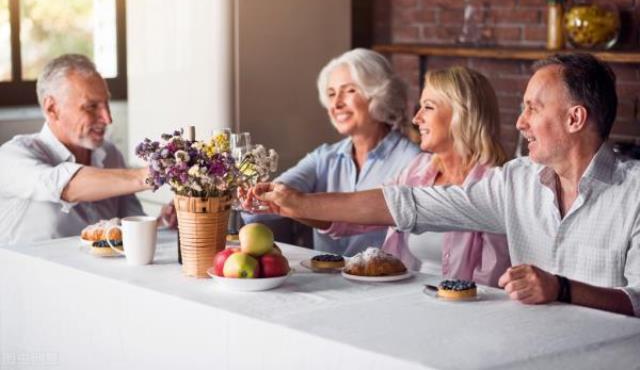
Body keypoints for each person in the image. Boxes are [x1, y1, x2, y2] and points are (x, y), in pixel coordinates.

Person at [251, 53, 640, 317]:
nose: (520, 123)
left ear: (575, 119)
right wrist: (301, 204)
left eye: (532, 109)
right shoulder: (516, 182)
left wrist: (563, 289)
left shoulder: (634, 193)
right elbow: (412, 205)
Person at [316, 67, 510, 286]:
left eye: (428, 107)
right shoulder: (418, 169)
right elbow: (358, 217)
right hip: (407, 299)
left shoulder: (496, 185)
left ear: (462, 115)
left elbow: (490, 286)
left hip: (460, 310)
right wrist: (291, 203)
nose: (417, 119)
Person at [245, 48, 419, 256]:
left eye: (349, 90)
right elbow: (276, 196)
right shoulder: (324, 158)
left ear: (378, 94)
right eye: (331, 94)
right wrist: (258, 197)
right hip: (325, 282)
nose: (336, 104)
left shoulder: (413, 161)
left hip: (388, 284)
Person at [0, 54, 175, 246]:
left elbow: (130, 226)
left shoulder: (110, 155)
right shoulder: (12, 157)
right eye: (91, 107)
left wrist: (162, 223)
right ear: (52, 109)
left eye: (106, 104)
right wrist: (150, 174)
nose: (108, 119)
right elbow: (65, 187)